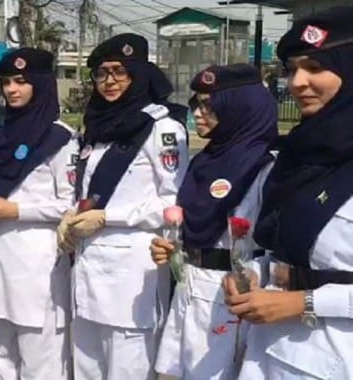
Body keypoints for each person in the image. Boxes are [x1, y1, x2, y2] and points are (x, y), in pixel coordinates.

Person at [224, 6, 353, 379]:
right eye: (292, 69)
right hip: (270, 350)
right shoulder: (298, 154)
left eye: (314, 67)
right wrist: (251, 272)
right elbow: (289, 251)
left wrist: (305, 302)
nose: (296, 82)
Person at [56, 33, 188, 380]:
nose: (109, 81)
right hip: (87, 272)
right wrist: (72, 215)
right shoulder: (97, 128)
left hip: (131, 277)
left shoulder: (162, 129)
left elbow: (175, 203)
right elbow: (87, 189)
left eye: (119, 71)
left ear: (139, 74)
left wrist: (108, 218)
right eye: (101, 73)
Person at [151, 64, 278, 379]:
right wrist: (173, 249)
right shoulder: (203, 161)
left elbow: (273, 246)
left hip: (231, 291)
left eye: (209, 105)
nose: (198, 114)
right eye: (196, 105)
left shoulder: (264, 167)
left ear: (238, 109)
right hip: (189, 285)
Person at [0, 47, 77, 380]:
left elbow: (71, 205)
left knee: (40, 366)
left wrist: (13, 210)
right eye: (6, 82)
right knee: (2, 362)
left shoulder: (61, 138)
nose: (11, 89)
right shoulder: (5, 132)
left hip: (36, 268)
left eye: (21, 81)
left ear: (41, 84)